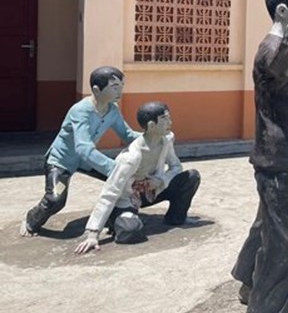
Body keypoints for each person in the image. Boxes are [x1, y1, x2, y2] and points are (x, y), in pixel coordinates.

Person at [230, 0, 288, 313]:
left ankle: (248, 280)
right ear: (283, 11)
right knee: (287, 240)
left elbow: (280, 77)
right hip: (276, 159)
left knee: (267, 224)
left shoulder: (282, 48)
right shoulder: (273, 46)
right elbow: (273, 66)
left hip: (281, 155)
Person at [21, 66, 141, 236]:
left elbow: (127, 135)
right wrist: (114, 167)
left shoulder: (112, 110)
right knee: (55, 199)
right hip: (61, 162)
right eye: (114, 86)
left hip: (85, 162)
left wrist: (152, 137)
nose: (120, 90)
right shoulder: (81, 111)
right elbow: (83, 147)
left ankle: (115, 221)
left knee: (122, 182)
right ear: (96, 90)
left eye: (121, 85)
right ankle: (31, 221)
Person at [74, 101, 201, 253]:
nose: (170, 122)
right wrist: (93, 234)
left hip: (152, 192)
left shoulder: (166, 140)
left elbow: (176, 167)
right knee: (131, 231)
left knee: (191, 177)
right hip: (129, 199)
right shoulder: (131, 157)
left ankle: (176, 217)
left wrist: (161, 180)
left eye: (169, 117)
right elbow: (109, 193)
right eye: (165, 119)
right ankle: (116, 220)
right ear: (151, 125)